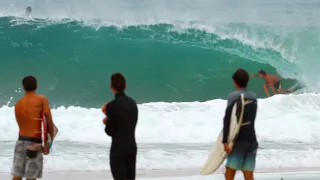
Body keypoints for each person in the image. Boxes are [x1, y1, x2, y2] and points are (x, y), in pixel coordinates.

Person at [11, 76, 55, 180]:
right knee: (31, 177)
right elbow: (49, 121)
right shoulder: (41, 99)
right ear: (37, 85)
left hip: (20, 142)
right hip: (34, 143)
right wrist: (49, 143)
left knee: (17, 176)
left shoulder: (18, 104)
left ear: (23, 87)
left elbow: (20, 124)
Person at [223, 68, 258, 180]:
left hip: (239, 141)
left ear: (235, 81)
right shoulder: (253, 96)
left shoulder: (233, 96)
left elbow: (227, 119)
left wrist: (225, 141)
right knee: (248, 175)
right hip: (252, 140)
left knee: (230, 172)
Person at [102, 73, 138, 180]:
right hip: (132, 147)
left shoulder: (111, 106)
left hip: (118, 149)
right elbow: (130, 122)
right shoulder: (133, 103)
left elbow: (110, 131)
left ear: (111, 87)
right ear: (125, 86)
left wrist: (106, 121)